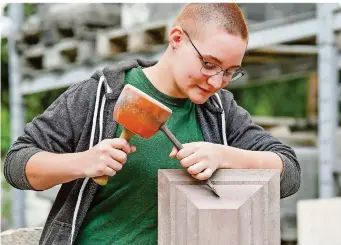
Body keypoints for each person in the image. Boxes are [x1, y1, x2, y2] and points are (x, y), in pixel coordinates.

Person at [4, 3, 301, 245]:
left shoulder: (221, 111)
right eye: (209, 64)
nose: (216, 81)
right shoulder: (102, 94)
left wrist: (225, 156)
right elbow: (17, 165)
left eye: (230, 72)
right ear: (176, 39)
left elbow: (289, 175)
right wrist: (83, 162)